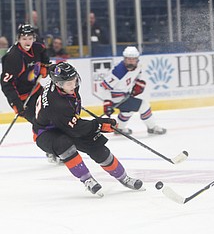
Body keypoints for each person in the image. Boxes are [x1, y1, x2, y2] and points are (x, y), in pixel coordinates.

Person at [32, 62, 144, 196]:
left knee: (96, 146)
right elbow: (77, 128)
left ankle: (123, 177)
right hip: (46, 132)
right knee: (65, 144)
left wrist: (44, 67)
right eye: (69, 83)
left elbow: (52, 67)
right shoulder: (57, 104)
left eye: (74, 80)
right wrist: (99, 125)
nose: (73, 85)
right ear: (58, 84)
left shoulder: (61, 78)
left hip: (64, 121)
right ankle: (87, 180)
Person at [0, 24, 57, 162]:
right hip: (22, 98)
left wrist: (45, 66)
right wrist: (16, 104)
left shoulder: (38, 46)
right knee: (40, 122)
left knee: (55, 114)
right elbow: (6, 83)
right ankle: (51, 149)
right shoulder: (13, 57)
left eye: (30, 38)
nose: (27, 41)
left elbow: (44, 57)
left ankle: (58, 145)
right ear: (18, 39)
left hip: (36, 89)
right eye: (24, 38)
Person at [100, 46, 166, 135]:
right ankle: (152, 127)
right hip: (115, 99)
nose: (131, 61)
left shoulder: (138, 66)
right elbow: (105, 87)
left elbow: (138, 75)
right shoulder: (118, 71)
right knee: (144, 105)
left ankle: (119, 128)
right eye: (128, 59)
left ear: (137, 59)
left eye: (133, 59)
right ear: (124, 59)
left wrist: (139, 83)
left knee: (127, 111)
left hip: (124, 96)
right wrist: (107, 103)